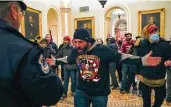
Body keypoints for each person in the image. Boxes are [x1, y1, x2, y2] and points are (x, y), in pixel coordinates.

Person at [46, 28, 161, 107]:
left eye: (80, 42)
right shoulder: (77, 51)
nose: (77, 45)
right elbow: (68, 59)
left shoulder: (103, 50)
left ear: (87, 40)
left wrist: (141, 60)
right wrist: (55, 61)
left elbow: (121, 57)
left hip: (99, 93)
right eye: (75, 42)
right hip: (81, 91)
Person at [0, 1, 63, 107]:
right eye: (21, 12)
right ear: (13, 11)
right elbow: (51, 94)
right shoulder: (26, 50)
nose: (22, 17)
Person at [135, 23, 171, 107]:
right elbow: (137, 60)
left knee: (160, 98)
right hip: (145, 78)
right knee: (146, 101)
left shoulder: (165, 44)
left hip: (159, 79)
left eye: (156, 30)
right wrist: (137, 73)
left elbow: (169, 57)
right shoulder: (141, 45)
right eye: (152, 32)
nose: (155, 33)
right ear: (146, 34)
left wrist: (169, 61)